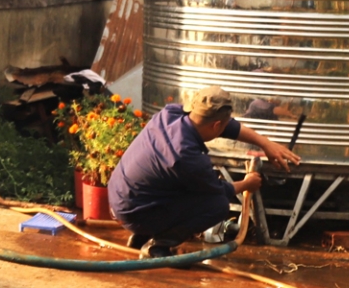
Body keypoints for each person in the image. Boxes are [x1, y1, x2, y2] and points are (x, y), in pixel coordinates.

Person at [108, 86, 301, 257]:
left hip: (119, 200)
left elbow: (228, 126)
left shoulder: (170, 114)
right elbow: (218, 190)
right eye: (222, 126)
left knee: (176, 186)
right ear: (216, 126)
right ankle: (157, 246)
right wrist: (246, 184)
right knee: (216, 206)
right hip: (135, 212)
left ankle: (141, 236)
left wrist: (265, 143)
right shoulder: (185, 156)